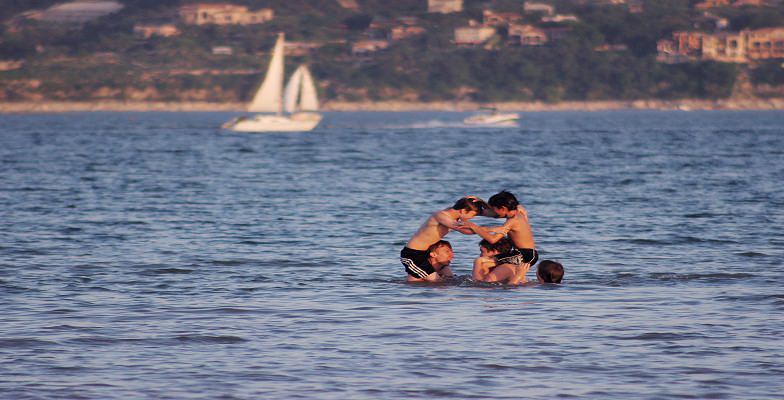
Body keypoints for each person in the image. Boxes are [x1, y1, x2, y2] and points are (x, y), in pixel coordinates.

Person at [400, 197, 485, 282]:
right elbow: (464, 230)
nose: (472, 218)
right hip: (413, 255)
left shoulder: (456, 215)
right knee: (437, 281)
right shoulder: (441, 216)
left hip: (427, 252)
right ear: (462, 211)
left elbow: (493, 213)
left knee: (450, 280)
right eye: (473, 215)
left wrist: (482, 201)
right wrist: (491, 230)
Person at [462, 191, 538, 272]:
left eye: (494, 209)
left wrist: (474, 227)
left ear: (503, 208)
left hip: (525, 255)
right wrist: (482, 202)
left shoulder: (512, 221)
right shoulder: (518, 212)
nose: (493, 212)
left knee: (482, 263)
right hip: (525, 253)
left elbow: (493, 239)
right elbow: (494, 213)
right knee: (492, 262)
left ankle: (481, 283)